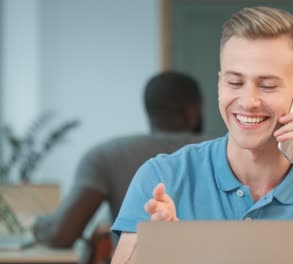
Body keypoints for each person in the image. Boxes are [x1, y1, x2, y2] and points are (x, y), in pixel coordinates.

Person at [112, 7, 293, 264]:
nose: (248, 101)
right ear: (220, 84)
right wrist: (157, 252)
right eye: (234, 82)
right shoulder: (161, 177)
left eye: (267, 85)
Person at [32, 71, 206, 248]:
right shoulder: (229, 152)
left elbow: (61, 233)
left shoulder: (107, 155)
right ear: (192, 112)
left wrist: (37, 225)